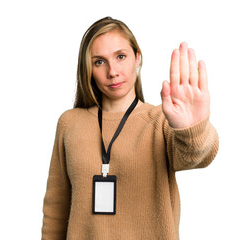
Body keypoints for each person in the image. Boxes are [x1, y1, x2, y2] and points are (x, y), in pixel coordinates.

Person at [41, 16, 219, 240]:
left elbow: (197, 155)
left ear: (138, 58)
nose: (112, 71)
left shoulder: (160, 121)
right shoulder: (70, 123)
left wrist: (193, 127)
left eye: (121, 56)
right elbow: (56, 209)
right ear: (88, 69)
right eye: (99, 61)